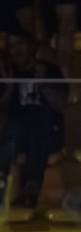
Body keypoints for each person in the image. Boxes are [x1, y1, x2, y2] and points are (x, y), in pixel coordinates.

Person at [0, 27, 66, 209]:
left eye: (19, 44)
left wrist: (43, 83)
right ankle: (2, 182)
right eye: (11, 46)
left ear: (31, 46)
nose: (15, 50)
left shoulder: (50, 70)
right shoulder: (9, 74)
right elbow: (3, 111)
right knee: (16, 126)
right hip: (17, 135)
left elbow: (61, 106)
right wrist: (8, 84)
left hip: (48, 134)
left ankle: (31, 188)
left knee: (36, 123)